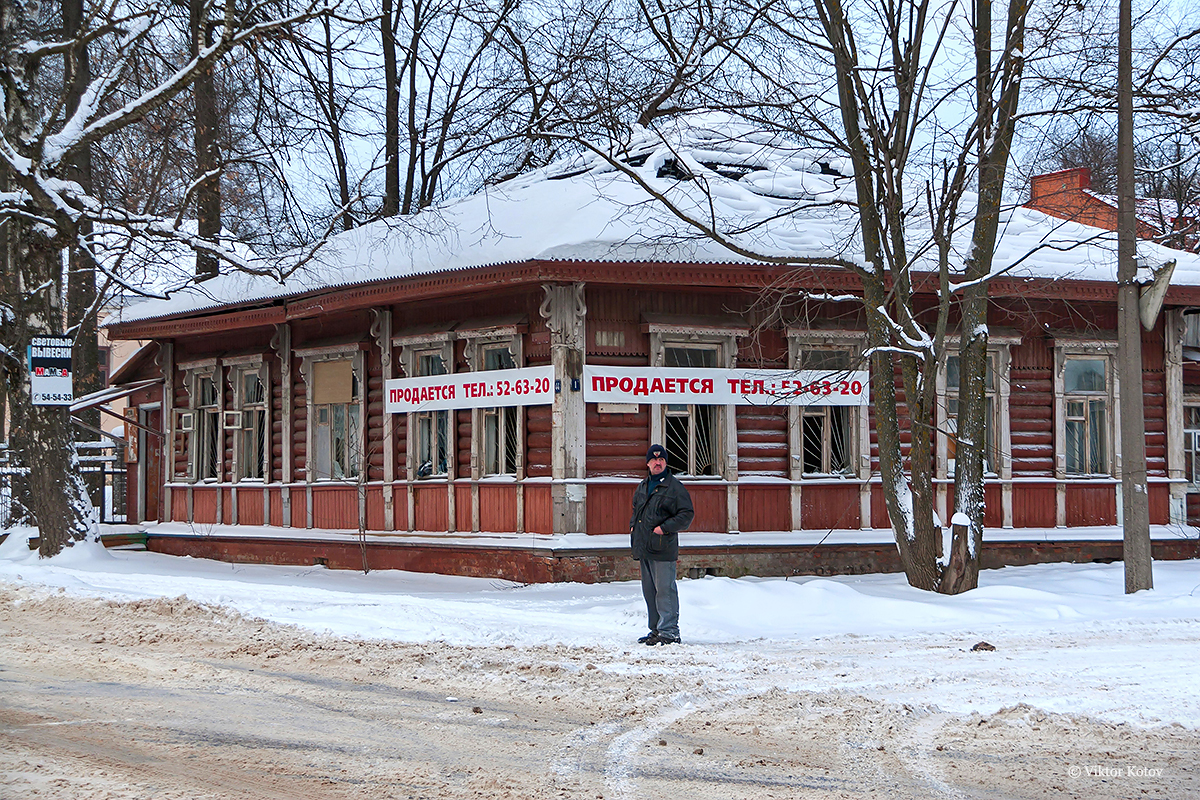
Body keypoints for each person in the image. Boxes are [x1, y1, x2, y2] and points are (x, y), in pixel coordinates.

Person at [629, 443, 694, 645]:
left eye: (662, 460)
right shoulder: (643, 486)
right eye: (654, 460)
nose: (658, 463)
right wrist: (633, 526)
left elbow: (686, 514)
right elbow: (636, 511)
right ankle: (656, 630)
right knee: (650, 592)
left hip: (663, 547)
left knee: (665, 590)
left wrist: (664, 528)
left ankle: (669, 632)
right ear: (648, 463)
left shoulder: (674, 488)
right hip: (645, 547)